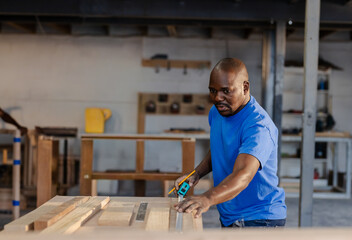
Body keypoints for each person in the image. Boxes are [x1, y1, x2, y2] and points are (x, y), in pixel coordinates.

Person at [174, 58, 286, 228]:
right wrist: (196, 174)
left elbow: (243, 174)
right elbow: (220, 148)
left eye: (226, 91)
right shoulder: (217, 112)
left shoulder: (258, 126)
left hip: (260, 219)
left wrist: (207, 198)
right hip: (230, 214)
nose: (218, 98)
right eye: (213, 90)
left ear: (245, 87)